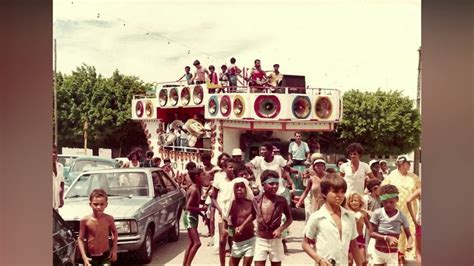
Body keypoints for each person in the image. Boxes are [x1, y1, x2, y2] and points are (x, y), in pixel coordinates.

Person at [302, 173, 364, 266]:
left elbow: (353, 245)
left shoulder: (349, 216)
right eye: (335, 192)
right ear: (324, 193)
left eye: (342, 192)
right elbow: (305, 244)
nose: (339, 195)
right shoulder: (317, 217)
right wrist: (319, 259)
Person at [381, 155, 421, 264]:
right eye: (408, 163)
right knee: (396, 233)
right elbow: (383, 191)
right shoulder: (391, 177)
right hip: (395, 211)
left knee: (409, 232)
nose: (410, 165)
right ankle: (398, 256)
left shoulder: (414, 177)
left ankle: (407, 257)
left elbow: (421, 191)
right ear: (401, 164)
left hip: (411, 211)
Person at [253, 170, 293, 266]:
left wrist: (280, 229)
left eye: (276, 184)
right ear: (263, 184)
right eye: (271, 184)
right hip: (260, 239)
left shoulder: (281, 201)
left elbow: (289, 219)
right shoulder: (256, 200)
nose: (274, 186)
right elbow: (250, 216)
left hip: (275, 240)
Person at [369, 184, 413, 266]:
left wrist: (409, 244)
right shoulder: (377, 213)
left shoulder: (401, 216)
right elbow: (371, 233)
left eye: (391, 202)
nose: (388, 204)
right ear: (382, 201)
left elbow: (409, 236)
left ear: (397, 199)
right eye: (385, 202)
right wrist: (386, 238)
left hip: (392, 254)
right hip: (378, 252)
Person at [77, 189, 118, 266]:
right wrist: (84, 256)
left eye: (102, 204)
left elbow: (115, 233)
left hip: (105, 255)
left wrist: (114, 249)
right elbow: (80, 239)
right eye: (95, 204)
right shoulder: (85, 220)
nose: (98, 207)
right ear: (90, 204)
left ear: (106, 204)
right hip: (90, 256)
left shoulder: (109, 219)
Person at [223, 177, 256, 266]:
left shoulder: (251, 203)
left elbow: (254, 215)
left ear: (246, 189)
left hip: (250, 241)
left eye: (242, 187)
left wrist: (242, 227)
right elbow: (225, 224)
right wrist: (231, 231)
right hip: (236, 243)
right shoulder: (230, 204)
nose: (239, 189)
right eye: (237, 187)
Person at [211, 159, 236, 266]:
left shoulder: (238, 181)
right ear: (224, 168)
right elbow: (213, 198)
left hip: (235, 214)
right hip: (223, 214)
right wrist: (220, 210)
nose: (232, 169)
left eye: (233, 166)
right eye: (230, 167)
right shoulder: (219, 181)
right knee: (222, 240)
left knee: (233, 240)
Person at [183, 168, 209, 266]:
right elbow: (188, 207)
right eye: (202, 175)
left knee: (191, 243)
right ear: (197, 177)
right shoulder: (194, 189)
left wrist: (203, 215)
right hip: (189, 217)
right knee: (197, 243)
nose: (204, 176)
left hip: (193, 217)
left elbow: (195, 205)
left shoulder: (197, 187)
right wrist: (203, 210)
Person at [346, 192, 371, 265]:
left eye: (356, 200)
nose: (353, 202)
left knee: (362, 260)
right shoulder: (347, 213)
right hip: (349, 238)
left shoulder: (363, 213)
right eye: (351, 201)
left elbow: (368, 225)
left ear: (360, 202)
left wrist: (372, 233)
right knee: (349, 261)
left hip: (360, 238)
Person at [363, 179, 382, 264]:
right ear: (374, 189)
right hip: (369, 224)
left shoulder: (380, 199)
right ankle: (367, 260)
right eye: (379, 188)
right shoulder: (367, 199)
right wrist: (368, 225)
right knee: (368, 241)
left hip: (379, 224)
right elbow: (364, 212)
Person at [406, 188, 421, 266]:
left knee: (419, 252)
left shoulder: (420, 190)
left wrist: (413, 219)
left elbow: (408, 200)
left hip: (421, 223)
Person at [53, 145, 65, 210]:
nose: (54, 154)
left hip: (56, 206)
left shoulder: (60, 167)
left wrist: (61, 198)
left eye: (55, 152)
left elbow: (62, 183)